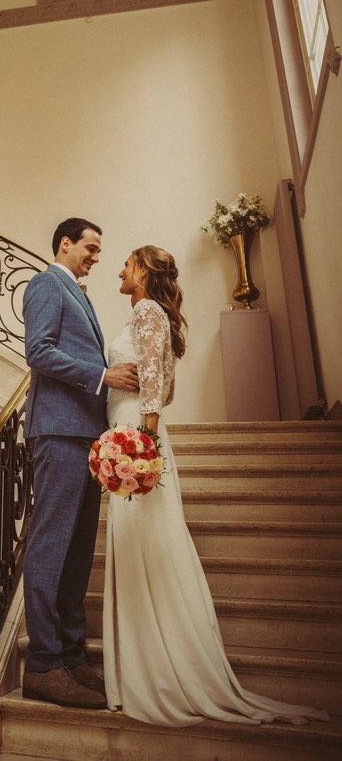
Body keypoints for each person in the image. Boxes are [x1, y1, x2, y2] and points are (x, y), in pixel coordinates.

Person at [103, 245, 329, 726]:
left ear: (144, 273)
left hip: (134, 437)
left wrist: (141, 446)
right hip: (135, 432)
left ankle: (153, 670)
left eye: (128, 264)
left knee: (142, 541)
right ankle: (148, 660)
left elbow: (153, 389)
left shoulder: (146, 311)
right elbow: (167, 388)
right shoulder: (155, 314)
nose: (120, 270)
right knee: (143, 541)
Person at [21, 217, 139, 709]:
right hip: (58, 430)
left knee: (76, 553)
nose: (96, 257)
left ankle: (71, 657)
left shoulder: (80, 294)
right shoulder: (46, 284)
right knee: (51, 546)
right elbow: (38, 351)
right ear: (64, 244)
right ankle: (43, 665)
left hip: (87, 436)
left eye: (98, 250)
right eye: (90, 247)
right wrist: (102, 375)